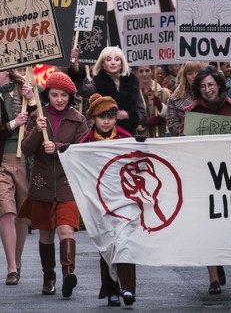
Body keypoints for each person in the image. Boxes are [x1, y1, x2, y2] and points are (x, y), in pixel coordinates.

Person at [19, 72, 88, 298]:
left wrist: (58, 147)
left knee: (66, 229)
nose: (59, 99)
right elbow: (26, 150)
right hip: (42, 185)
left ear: (70, 96)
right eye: (55, 94)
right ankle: (49, 276)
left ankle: (69, 274)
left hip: (67, 184)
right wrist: (38, 131)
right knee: (46, 234)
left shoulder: (78, 119)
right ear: (47, 95)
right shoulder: (38, 115)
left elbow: (82, 150)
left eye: (64, 95)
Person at [184, 66, 231, 295]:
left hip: (230, 176)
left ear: (219, 85)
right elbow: (184, 141)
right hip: (203, 176)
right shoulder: (192, 111)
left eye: (211, 85)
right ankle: (213, 279)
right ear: (198, 89)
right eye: (203, 86)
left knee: (225, 224)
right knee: (207, 225)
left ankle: (219, 260)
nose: (208, 90)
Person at [0, 63, 35, 286]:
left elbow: (38, 124)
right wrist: (12, 123)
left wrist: (31, 102)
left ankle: (18, 261)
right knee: (7, 213)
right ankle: (11, 266)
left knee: (22, 216)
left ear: (8, 70)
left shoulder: (26, 90)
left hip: (24, 161)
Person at [80, 94, 136, 307]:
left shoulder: (124, 137)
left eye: (110, 117)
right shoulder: (85, 142)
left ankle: (128, 289)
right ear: (94, 118)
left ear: (116, 119)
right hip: (99, 201)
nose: (106, 121)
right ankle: (111, 290)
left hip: (123, 198)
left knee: (125, 242)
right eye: (101, 117)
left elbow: (137, 160)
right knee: (106, 244)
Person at [72, 46, 145, 136]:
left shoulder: (132, 81)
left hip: (128, 136)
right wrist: (76, 66)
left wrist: (127, 115)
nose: (113, 63)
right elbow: (82, 89)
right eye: (108, 60)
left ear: (121, 62)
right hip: (104, 137)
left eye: (117, 59)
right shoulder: (98, 81)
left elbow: (143, 116)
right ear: (103, 63)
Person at [165, 61, 208, 137]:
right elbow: (172, 124)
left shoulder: (212, 93)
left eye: (197, 72)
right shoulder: (174, 99)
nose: (194, 76)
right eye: (190, 73)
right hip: (186, 141)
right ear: (185, 77)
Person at [135, 65, 170, 138]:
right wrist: (144, 123)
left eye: (147, 70)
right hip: (141, 139)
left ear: (152, 72)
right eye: (141, 71)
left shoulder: (164, 93)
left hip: (160, 137)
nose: (144, 74)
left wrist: (161, 108)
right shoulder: (133, 93)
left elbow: (171, 116)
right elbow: (130, 118)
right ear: (136, 73)